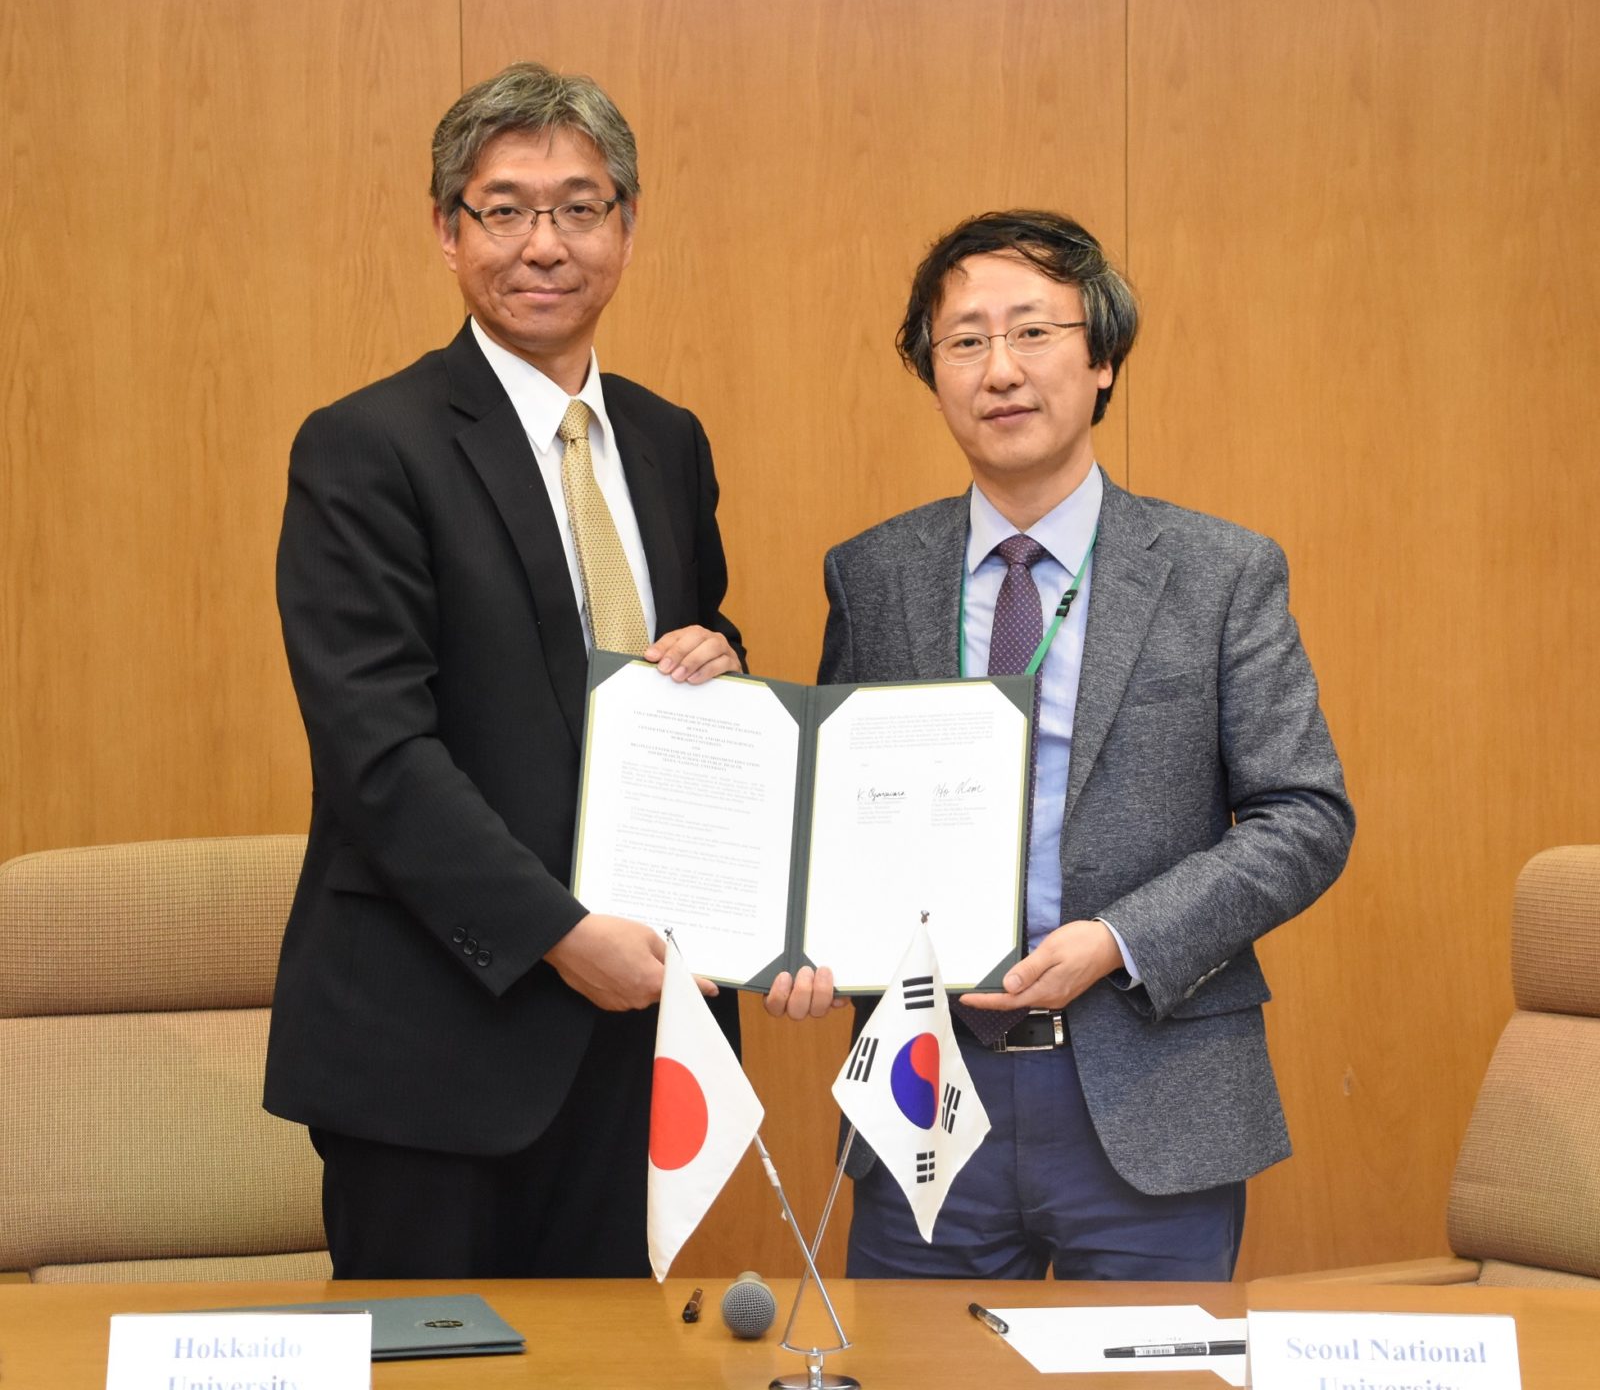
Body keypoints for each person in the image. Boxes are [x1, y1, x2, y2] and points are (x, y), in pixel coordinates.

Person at [768, 210, 1355, 1280]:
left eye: (1033, 332)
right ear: (930, 370)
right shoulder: (873, 573)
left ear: (1102, 360)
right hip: (924, 1090)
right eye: (964, 340)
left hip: (1147, 1085)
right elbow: (840, 814)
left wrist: (1117, 938)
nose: (1000, 369)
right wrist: (799, 939)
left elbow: (1303, 816)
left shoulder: (1219, 571)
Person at [265, 62, 746, 1279]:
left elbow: (681, 686)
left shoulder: (668, 440)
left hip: (639, 1042)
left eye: (580, 208)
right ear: (446, 230)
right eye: (505, 208)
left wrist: (721, 666)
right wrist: (560, 933)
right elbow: (378, 755)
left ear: (626, 229)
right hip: (437, 1044)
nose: (545, 243)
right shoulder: (367, 446)